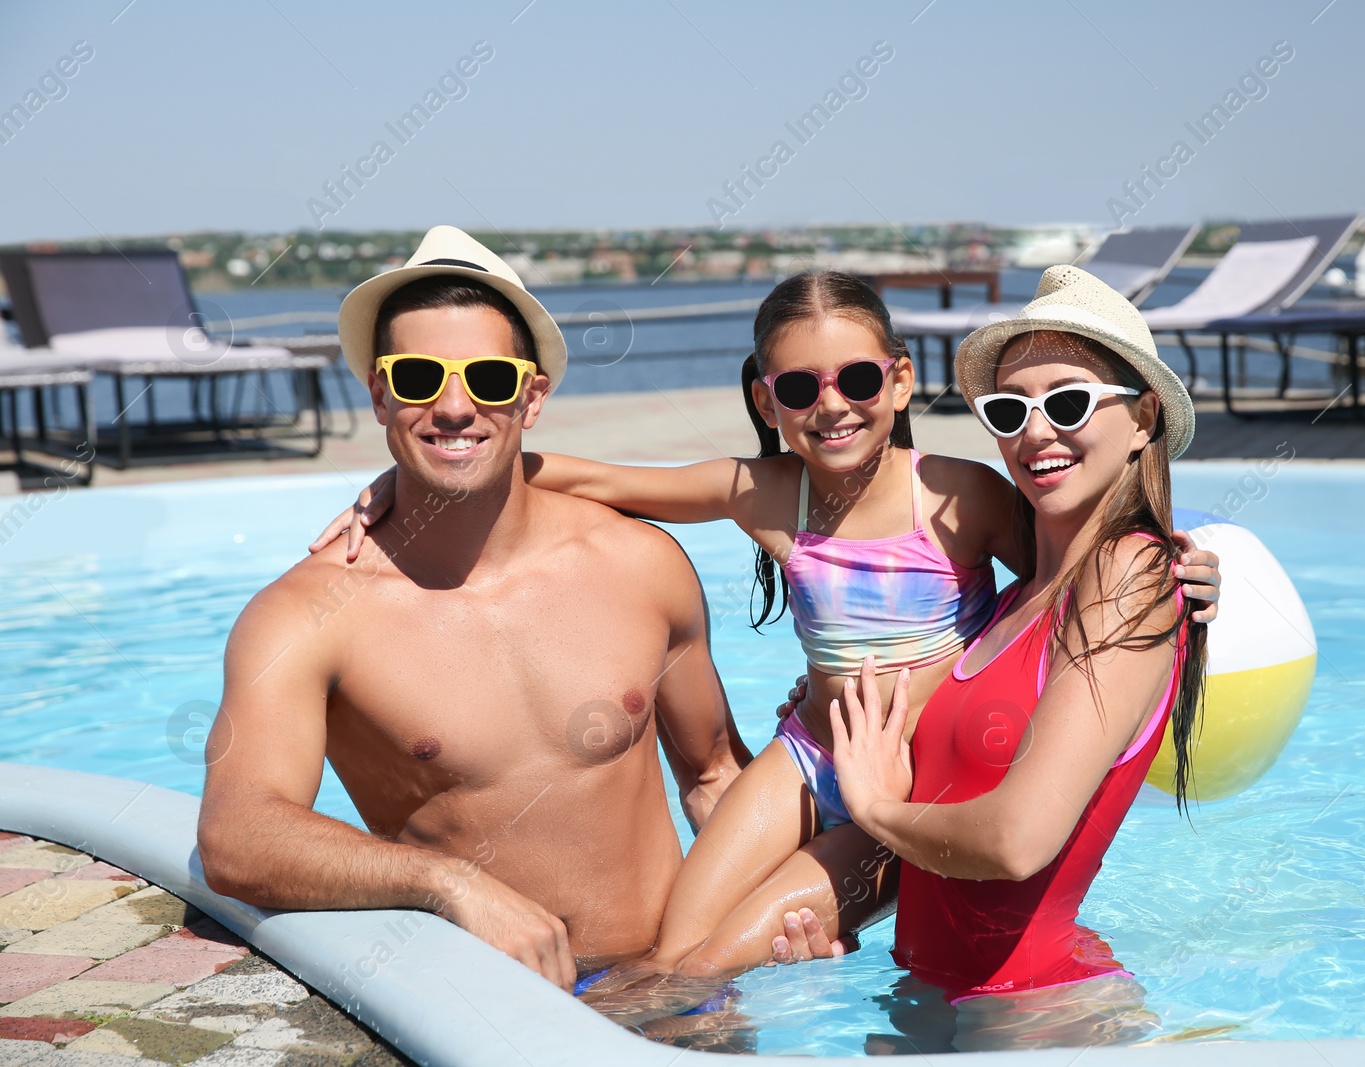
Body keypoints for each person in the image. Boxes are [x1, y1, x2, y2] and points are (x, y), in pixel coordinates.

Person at [313, 270, 1221, 994]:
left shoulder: (961, 494)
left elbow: (1055, 599)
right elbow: (593, 478)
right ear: (767, 396)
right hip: (805, 755)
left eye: (860, 379)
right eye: (800, 386)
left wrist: (1191, 575)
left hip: (899, 779)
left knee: (693, 971)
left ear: (899, 380)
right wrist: (400, 481)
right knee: (676, 937)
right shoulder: (769, 494)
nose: (833, 404)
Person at [197, 227, 751, 995]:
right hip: (494, 1012)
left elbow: (716, 775)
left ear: (532, 396)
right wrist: (451, 883)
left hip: (690, 989)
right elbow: (236, 835)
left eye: (489, 378)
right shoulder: (307, 615)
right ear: (379, 391)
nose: (454, 406)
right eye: (420, 375)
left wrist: (770, 912)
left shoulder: (640, 564)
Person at [823, 265, 1208, 1050]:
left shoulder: (1131, 573)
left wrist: (876, 811)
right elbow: (951, 821)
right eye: (1009, 409)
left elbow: (1018, 839)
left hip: (1035, 1018)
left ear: (1142, 419)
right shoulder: (1009, 602)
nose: (1035, 432)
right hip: (933, 998)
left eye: (1067, 402)